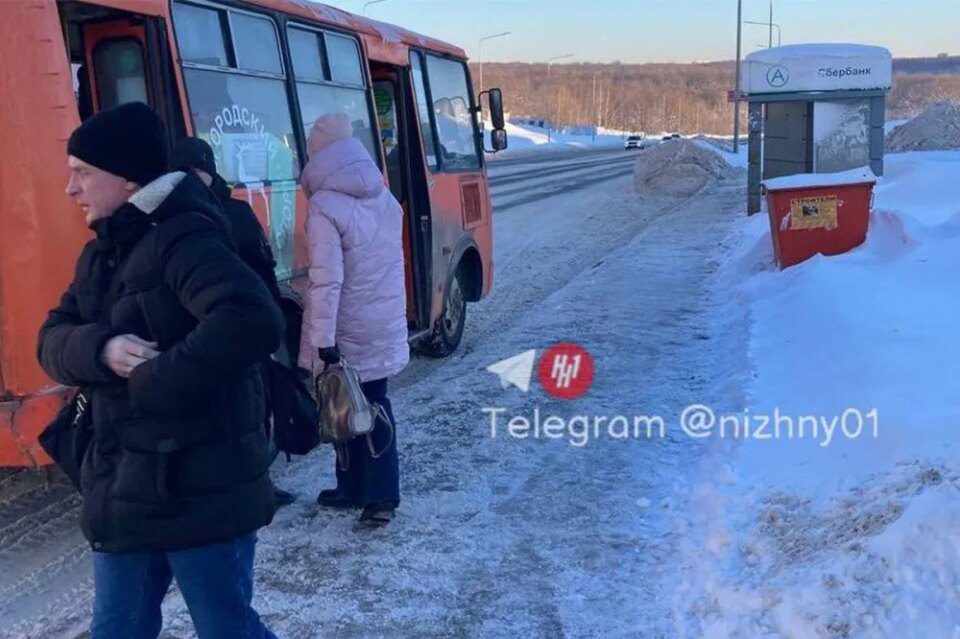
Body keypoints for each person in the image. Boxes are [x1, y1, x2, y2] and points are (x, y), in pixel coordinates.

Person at [37, 102, 282, 639]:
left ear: (127, 180)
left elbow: (252, 320)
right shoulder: (101, 253)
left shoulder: (184, 236)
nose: (70, 189)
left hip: (200, 488)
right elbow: (50, 340)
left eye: (81, 173)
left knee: (227, 630)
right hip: (125, 489)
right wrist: (102, 350)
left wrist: (149, 381)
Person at [172, 137, 295, 507]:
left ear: (209, 173)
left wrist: (271, 320)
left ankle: (257, 486)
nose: (193, 181)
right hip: (196, 331)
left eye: (197, 173)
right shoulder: (170, 218)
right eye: (184, 174)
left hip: (241, 329)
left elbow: (263, 270)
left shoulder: (235, 214)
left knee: (251, 409)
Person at [300, 112, 409, 528]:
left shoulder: (324, 206)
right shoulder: (385, 197)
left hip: (346, 326)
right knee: (373, 403)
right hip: (381, 320)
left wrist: (322, 339)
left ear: (316, 154)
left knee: (340, 405)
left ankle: (371, 492)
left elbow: (327, 280)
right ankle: (371, 490)